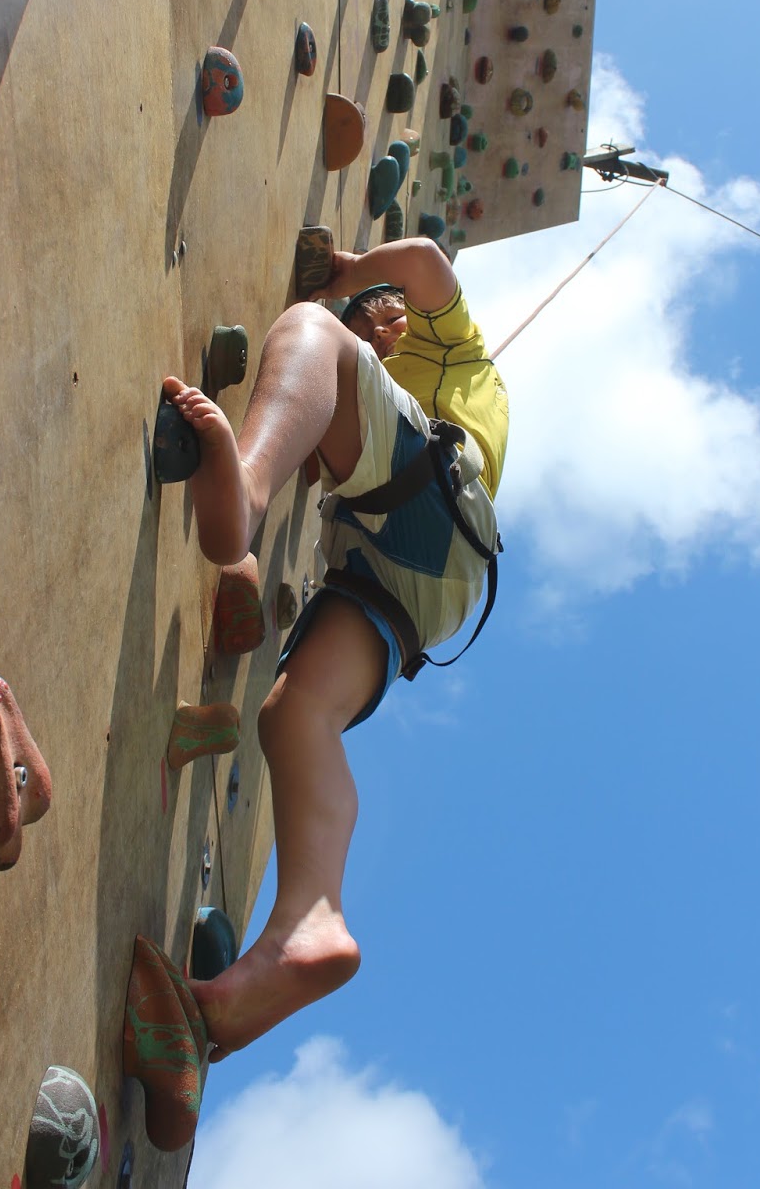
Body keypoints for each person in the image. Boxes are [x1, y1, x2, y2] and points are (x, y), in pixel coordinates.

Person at [163, 236, 508, 1058]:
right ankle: (308, 924)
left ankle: (245, 486)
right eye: (376, 320)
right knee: (295, 717)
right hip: (407, 581)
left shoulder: (455, 348)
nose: (387, 328)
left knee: (311, 335)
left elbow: (423, 257)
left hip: (436, 509)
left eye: (393, 316)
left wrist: (350, 278)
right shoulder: (373, 429)